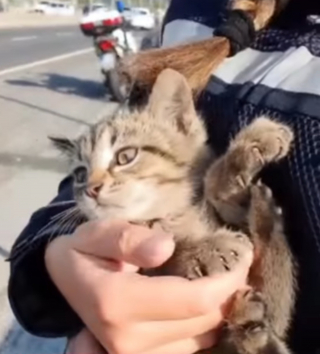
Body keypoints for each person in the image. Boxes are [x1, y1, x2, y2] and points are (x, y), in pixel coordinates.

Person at [7, 0, 320, 353]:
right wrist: (52, 261)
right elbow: (66, 208)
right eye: (83, 173)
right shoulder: (195, 10)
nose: (92, 185)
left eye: (123, 158)